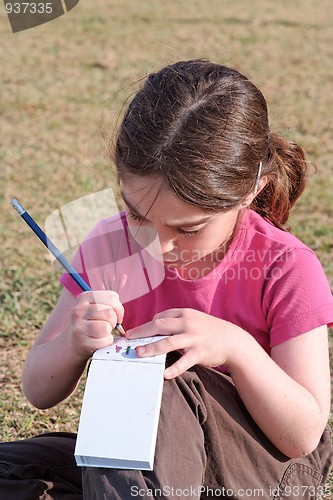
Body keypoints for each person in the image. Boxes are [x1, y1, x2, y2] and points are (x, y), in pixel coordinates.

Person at [1, 58, 333, 500]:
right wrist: (74, 341)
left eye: (187, 229)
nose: (157, 245)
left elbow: (304, 437)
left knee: (162, 376)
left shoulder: (285, 266)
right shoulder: (110, 244)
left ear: (250, 189)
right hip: (139, 462)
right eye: (138, 216)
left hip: (264, 469)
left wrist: (238, 349)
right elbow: (38, 391)